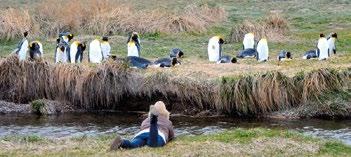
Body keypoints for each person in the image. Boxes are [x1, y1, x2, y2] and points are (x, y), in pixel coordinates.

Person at [110, 101, 175, 150]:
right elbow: (171, 136)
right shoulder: (168, 122)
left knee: (133, 145)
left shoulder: (146, 120)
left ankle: (122, 142)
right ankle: (154, 122)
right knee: (153, 144)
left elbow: (142, 127)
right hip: (158, 134)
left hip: (142, 133)